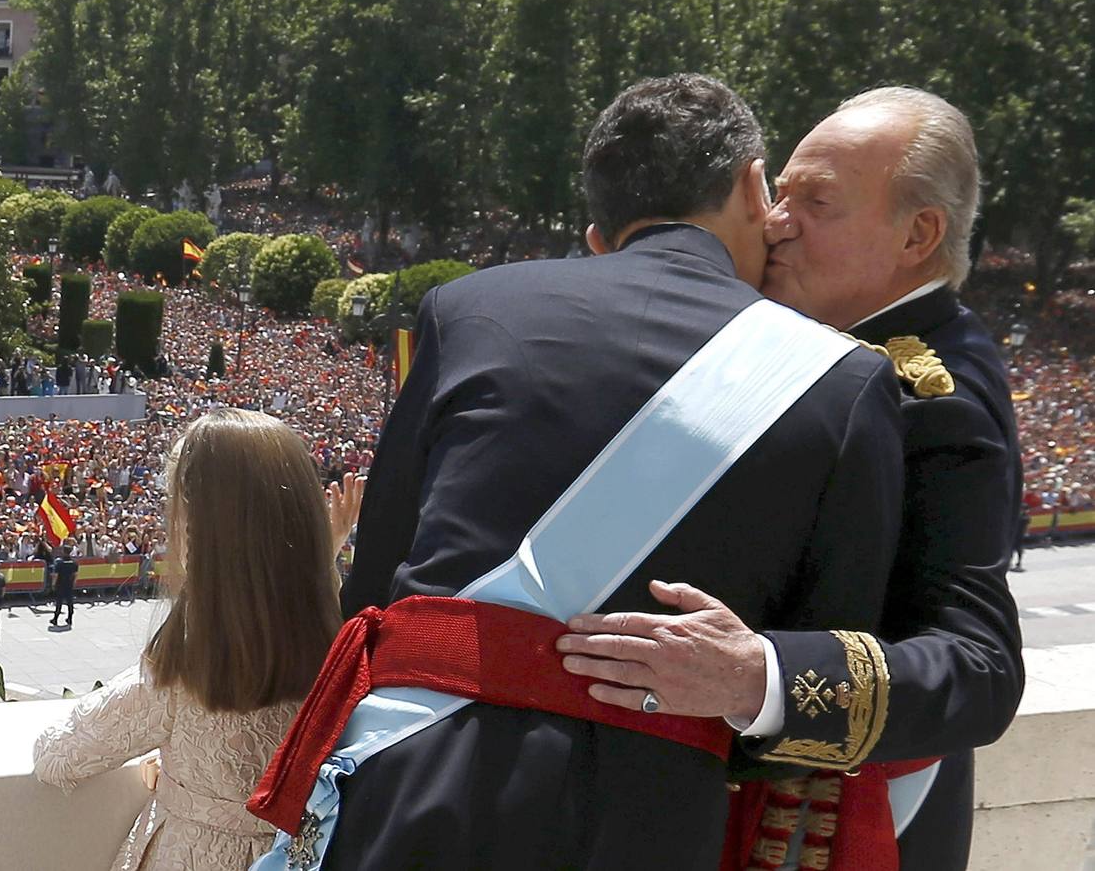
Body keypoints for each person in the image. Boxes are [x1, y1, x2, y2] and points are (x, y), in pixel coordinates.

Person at [256, 75, 906, 871]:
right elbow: (824, 656)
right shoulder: (843, 381)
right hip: (644, 816)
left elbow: (375, 593)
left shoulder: (466, 309)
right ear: (749, 183)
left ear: (599, 229)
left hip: (412, 776)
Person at [556, 87, 1024, 871]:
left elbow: (977, 672)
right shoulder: (804, 348)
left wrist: (758, 678)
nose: (776, 220)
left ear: (918, 233)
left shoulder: (932, 399)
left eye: (816, 202)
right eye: (778, 194)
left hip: (832, 827)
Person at [33, 409, 359, 868]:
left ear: (197, 531)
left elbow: (57, 756)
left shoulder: (187, 668)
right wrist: (320, 558)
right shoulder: (347, 638)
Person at [50, 541, 78, 627]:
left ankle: (55, 619)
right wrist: (74, 583)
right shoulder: (74, 562)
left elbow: (56, 575)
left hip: (60, 584)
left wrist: (53, 584)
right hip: (69, 584)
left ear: (63, 552)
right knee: (70, 602)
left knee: (59, 602)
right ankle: (70, 618)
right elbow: (76, 574)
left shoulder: (59, 563)